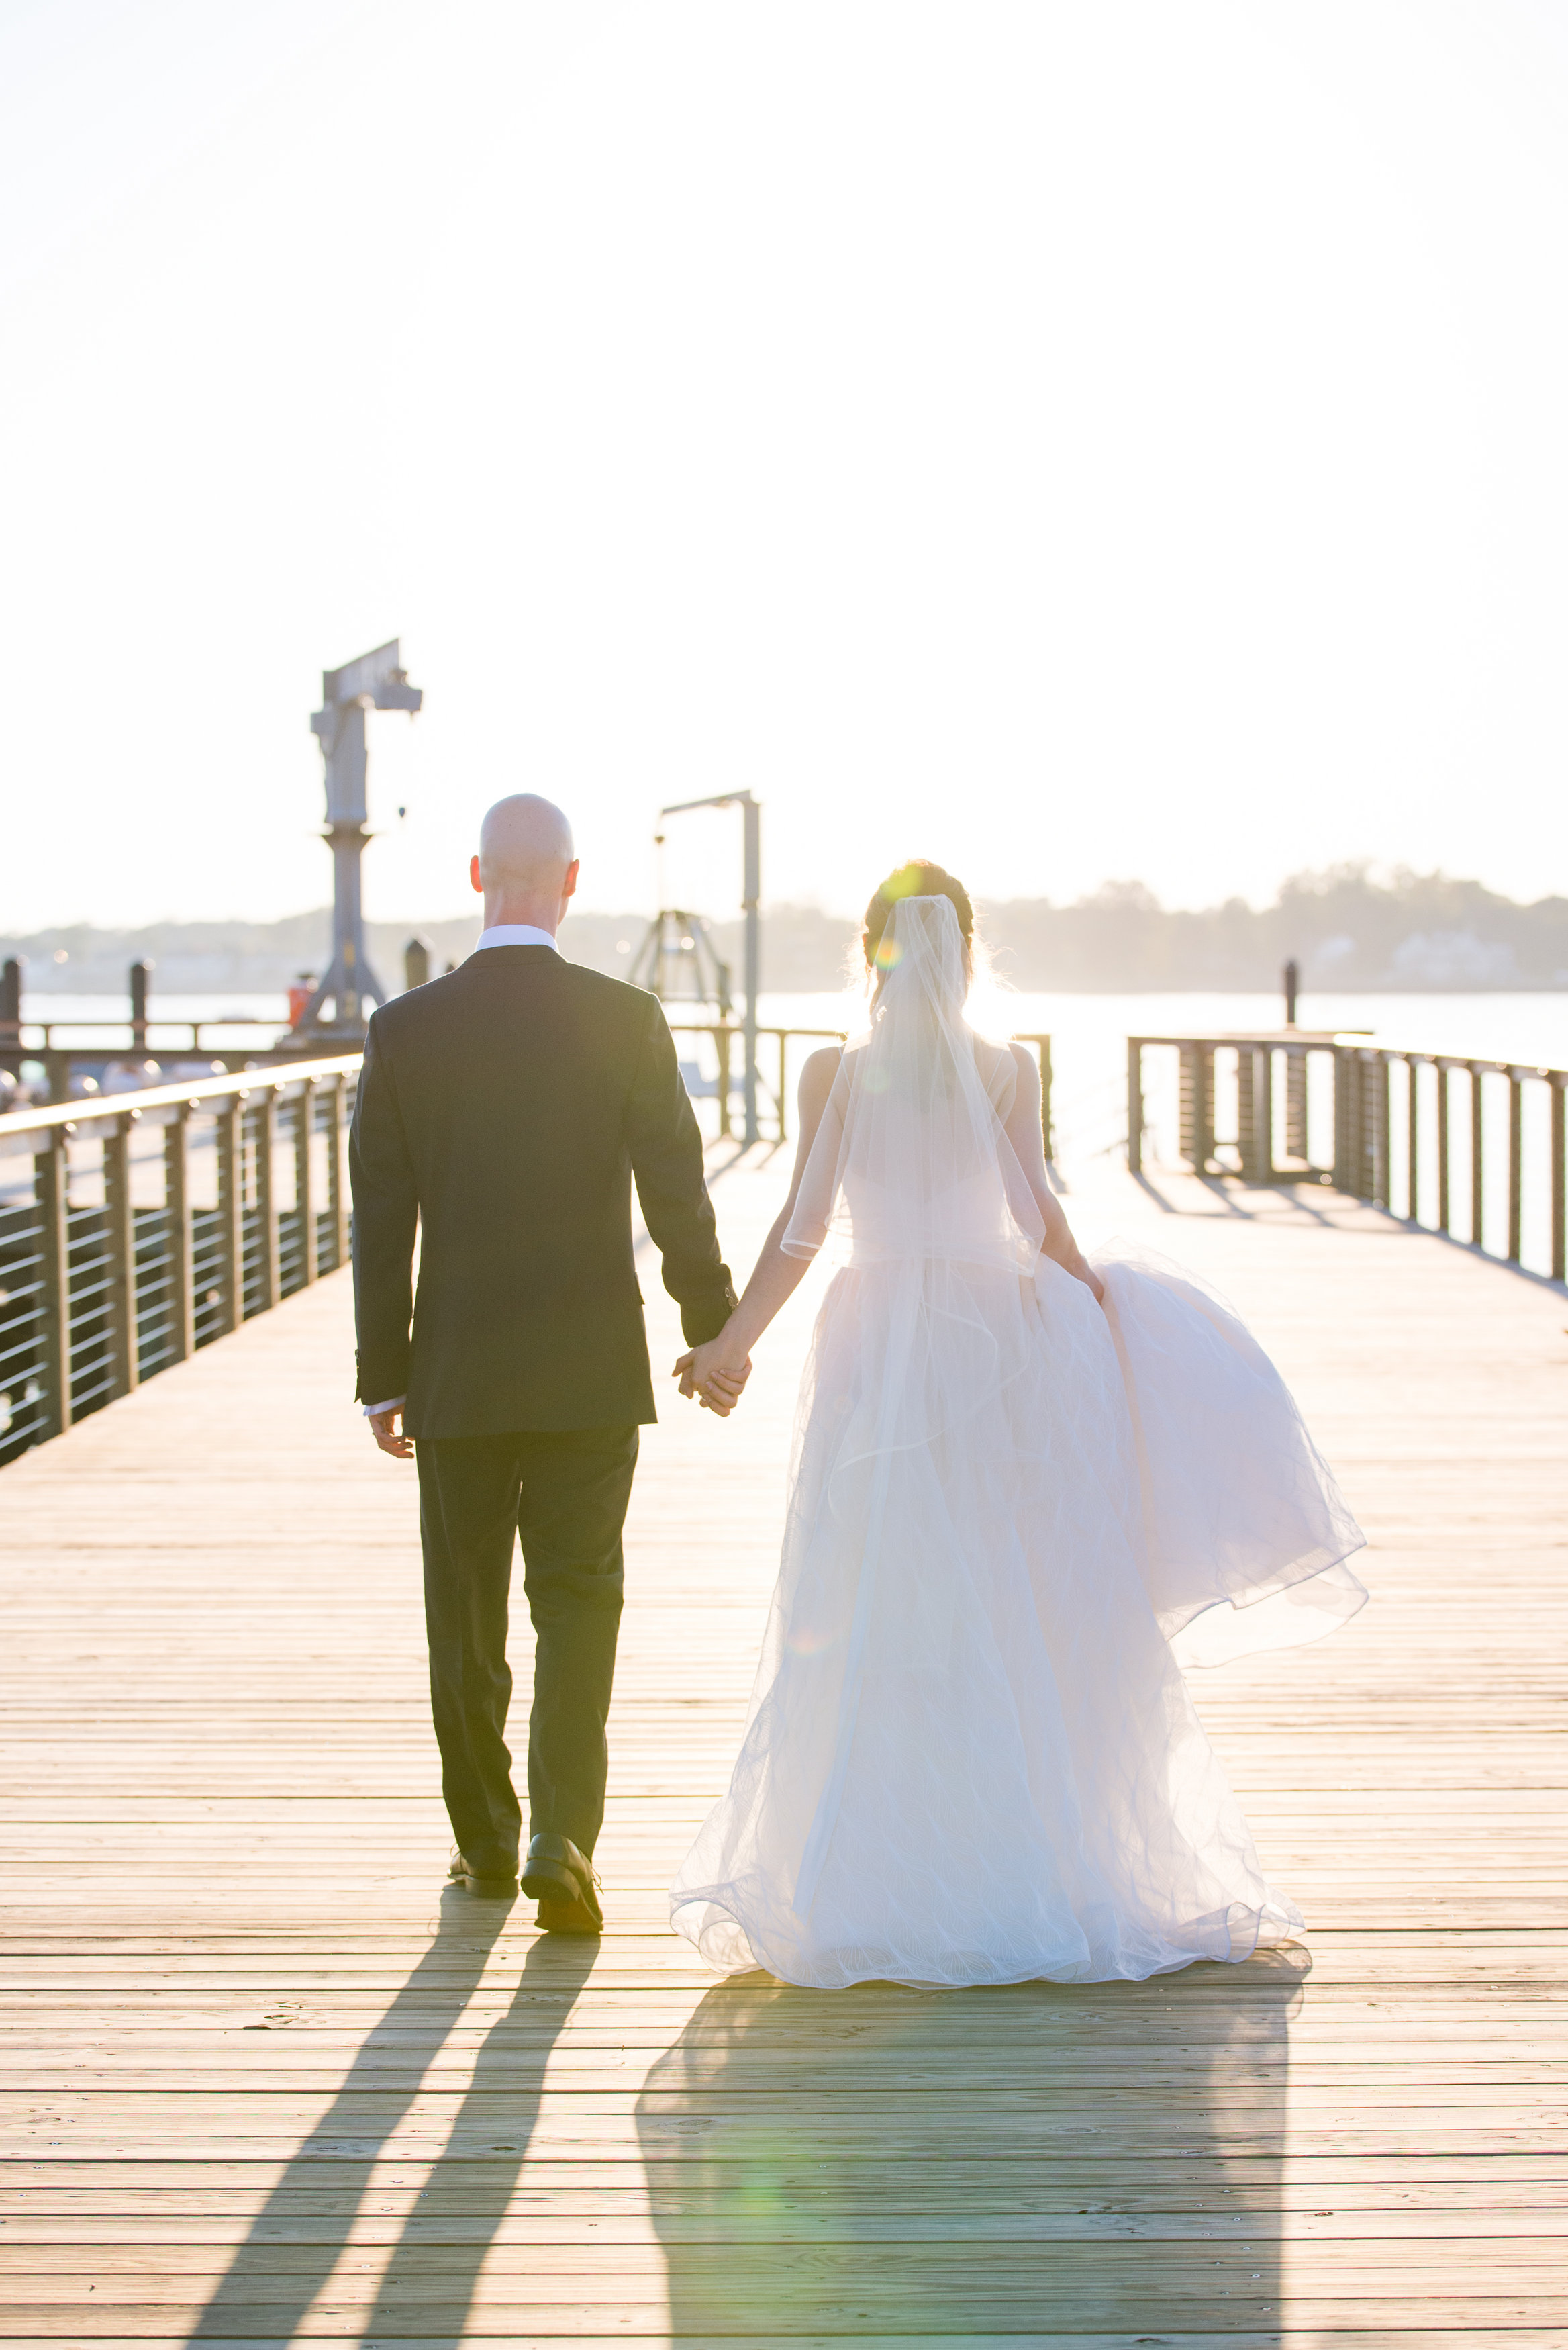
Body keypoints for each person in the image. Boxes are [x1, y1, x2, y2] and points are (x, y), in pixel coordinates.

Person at [669, 862, 1367, 1989]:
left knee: (870, 1595)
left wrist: (732, 1343)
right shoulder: (1006, 1068)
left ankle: (875, 1872)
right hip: (992, 1345)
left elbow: (800, 1235)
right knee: (1005, 1587)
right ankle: (1028, 1859)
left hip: (873, 1337)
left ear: (871, 950)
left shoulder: (831, 1074)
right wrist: (1101, 1298)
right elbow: (1039, 1218)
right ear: (966, 948)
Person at [350, 794, 739, 1934]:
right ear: (569, 884)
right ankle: (561, 1834)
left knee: (462, 1612)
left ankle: (482, 1845)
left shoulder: (406, 1030)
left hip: (459, 1375)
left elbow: (382, 1216)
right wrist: (708, 1324)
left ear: (481, 876)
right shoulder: (625, 1018)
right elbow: (677, 1181)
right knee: (578, 1602)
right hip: (587, 1371)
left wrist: (386, 1373)